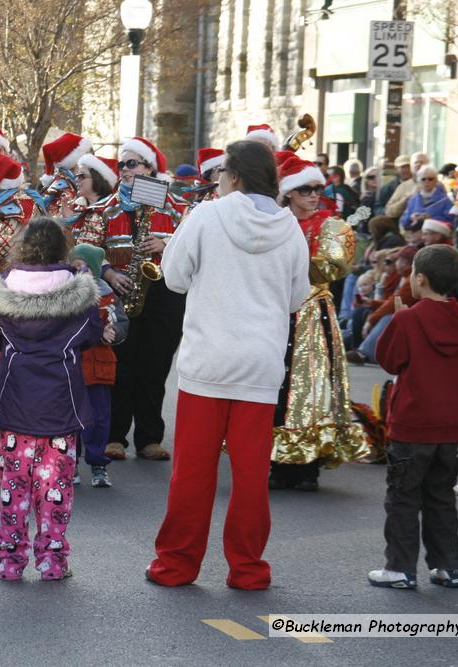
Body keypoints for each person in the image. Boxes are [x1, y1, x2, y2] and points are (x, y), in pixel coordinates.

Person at [146, 140, 310, 589]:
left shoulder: (207, 214)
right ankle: (248, 569)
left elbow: (174, 278)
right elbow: (298, 296)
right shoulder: (290, 228)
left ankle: (176, 565)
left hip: (208, 362)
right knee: (251, 476)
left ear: (233, 176)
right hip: (260, 365)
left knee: (193, 475)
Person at [0, 218, 104, 581]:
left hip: (15, 402)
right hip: (61, 404)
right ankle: (52, 560)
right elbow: (92, 333)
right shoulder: (77, 294)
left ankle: (9, 560)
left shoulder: (4, 292)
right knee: (55, 489)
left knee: (14, 489)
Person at [368, 245, 458, 590]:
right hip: (448, 427)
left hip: (412, 424)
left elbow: (389, 360)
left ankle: (399, 567)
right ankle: (448, 566)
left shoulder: (409, 318)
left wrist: (399, 317)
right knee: (441, 497)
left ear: (421, 278)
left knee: (403, 496)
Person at [269, 155, 369, 491]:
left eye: (317, 189)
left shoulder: (332, 226)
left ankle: (308, 466)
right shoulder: (273, 223)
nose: (314, 195)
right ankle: (278, 464)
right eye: (305, 189)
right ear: (289, 194)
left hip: (312, 313)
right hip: (275, 312)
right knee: (276, 384)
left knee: (311, 386)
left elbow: (330, 267)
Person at [102, 137, 185, 462]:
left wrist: (167, 247)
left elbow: (195, 248)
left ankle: (150, 437)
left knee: (154, 367)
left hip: (164, 294)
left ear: (152, 169)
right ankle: (115, 436)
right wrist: (109, 273)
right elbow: (87, 247)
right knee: (121, 368)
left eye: (133, 163)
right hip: (122, 290)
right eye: (122, 164)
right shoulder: (108, 208)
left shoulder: (177, 207)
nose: (125, 169)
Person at [68, 243, 128, 488]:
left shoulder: (108, 294)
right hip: (72, 366)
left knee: (100, 418)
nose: (78, 271)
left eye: (83, 266)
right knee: (71, 417)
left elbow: (121, 322)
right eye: (74, 266)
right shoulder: (65, 292)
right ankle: (69, 463)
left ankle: (98, 463)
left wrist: (115, 331)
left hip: (99, 365)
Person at [40, 133, 93, 216]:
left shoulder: (70, 181)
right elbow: (59, 217)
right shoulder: (62, 186)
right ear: (76, 159)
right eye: (86, 154)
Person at [399, 165, 453, 232]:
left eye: (430, 179)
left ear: (436, 181)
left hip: (435, 237)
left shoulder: (445, 200)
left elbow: (452, 222)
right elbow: (403, 222)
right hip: (416, 236)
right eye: (423, 179)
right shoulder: (413, 200)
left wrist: (431, 219)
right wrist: (411, 217)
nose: (426, 182)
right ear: (419, 181)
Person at [385, 152, 431, 219]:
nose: (419, 165)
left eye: (422, 162)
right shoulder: (403, 186)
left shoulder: (438, 185)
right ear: (411, 167)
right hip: (407, 225)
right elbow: (389, 211)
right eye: (416, 163)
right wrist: (405, 200)